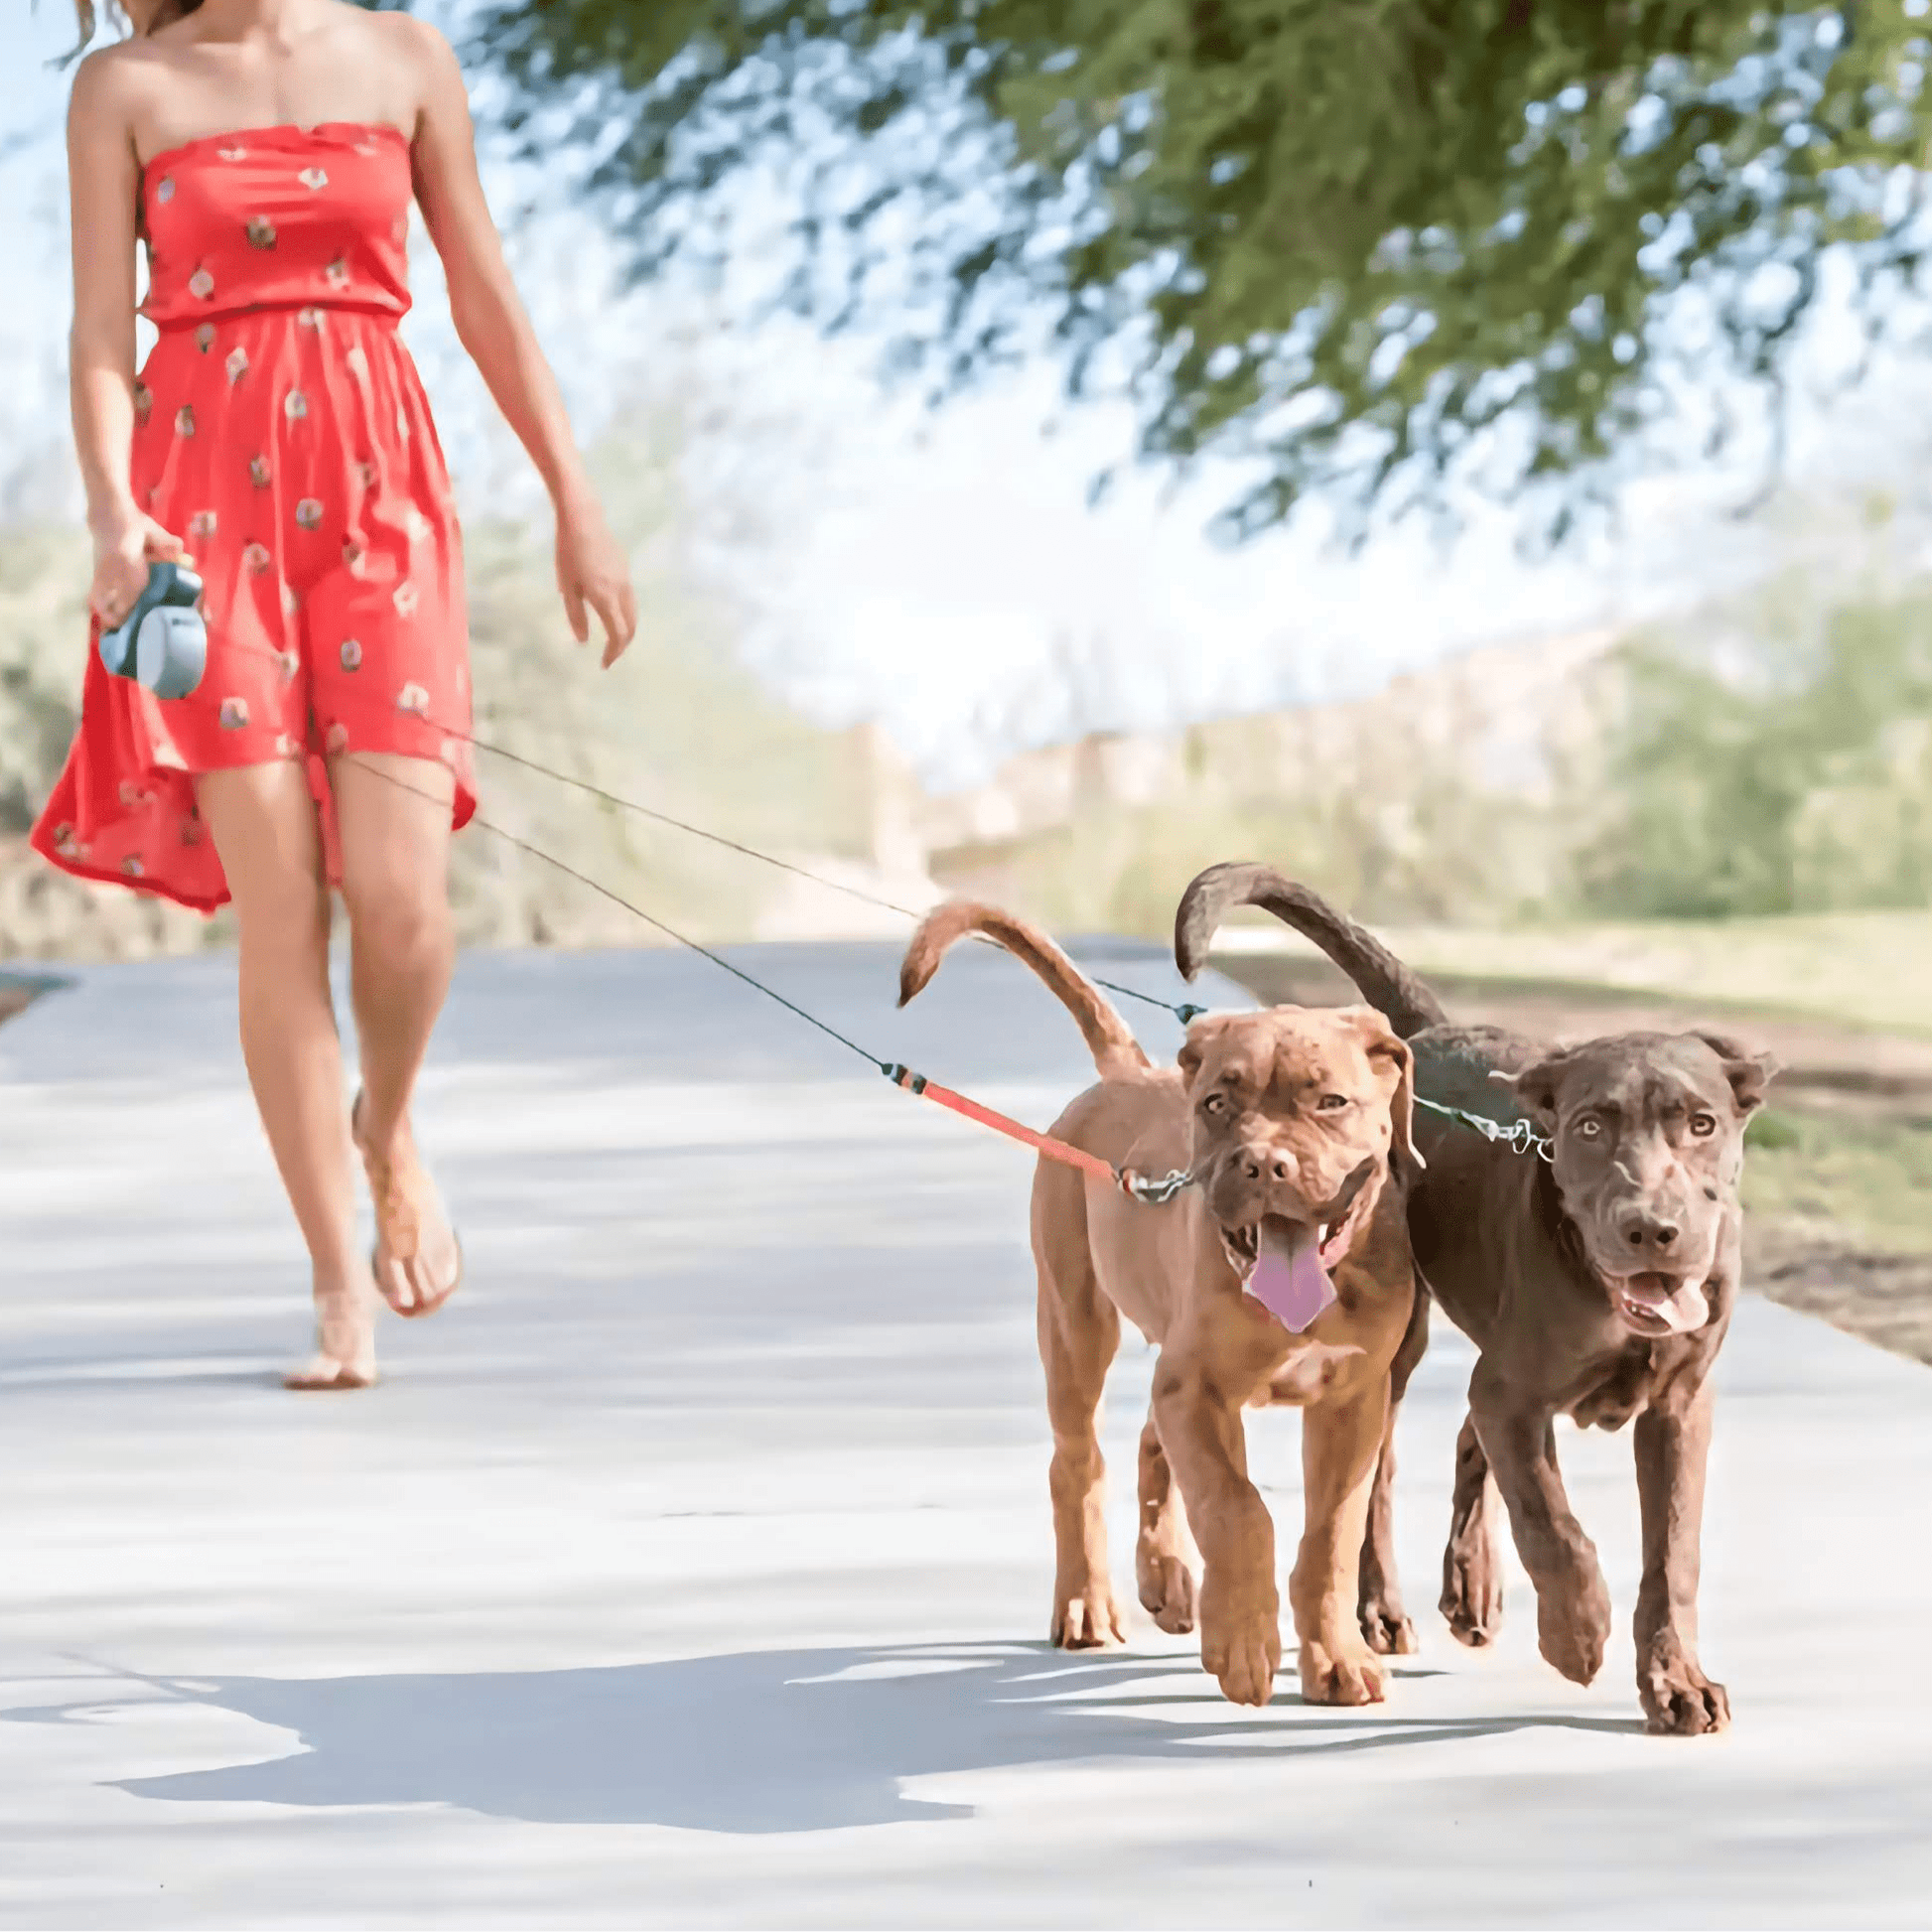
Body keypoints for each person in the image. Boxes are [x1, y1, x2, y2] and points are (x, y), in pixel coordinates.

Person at [36, 0, 638, 1388]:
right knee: (284, 908)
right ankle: (332, 1279)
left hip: (381, 495)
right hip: (198, 506)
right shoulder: (124, 85)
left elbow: (483, 293)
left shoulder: (406, 58)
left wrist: (575, 500)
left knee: (404, 896)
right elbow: (99, 334)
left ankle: (389, 1124)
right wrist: (114, 511)